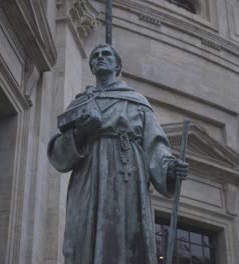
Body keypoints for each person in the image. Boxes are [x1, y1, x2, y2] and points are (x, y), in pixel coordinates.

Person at [47, 43, 189, 264]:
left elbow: (156, 144)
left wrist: (170, 169)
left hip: (126, 176)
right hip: (88, 177)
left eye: (106, 54)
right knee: (82, 235)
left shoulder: (137, 102)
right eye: (95, 56)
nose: (100, 58)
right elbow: (58, 154)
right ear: (91, 67)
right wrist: (81, 133)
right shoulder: (79, 104)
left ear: (118, 65)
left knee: (125, 236)